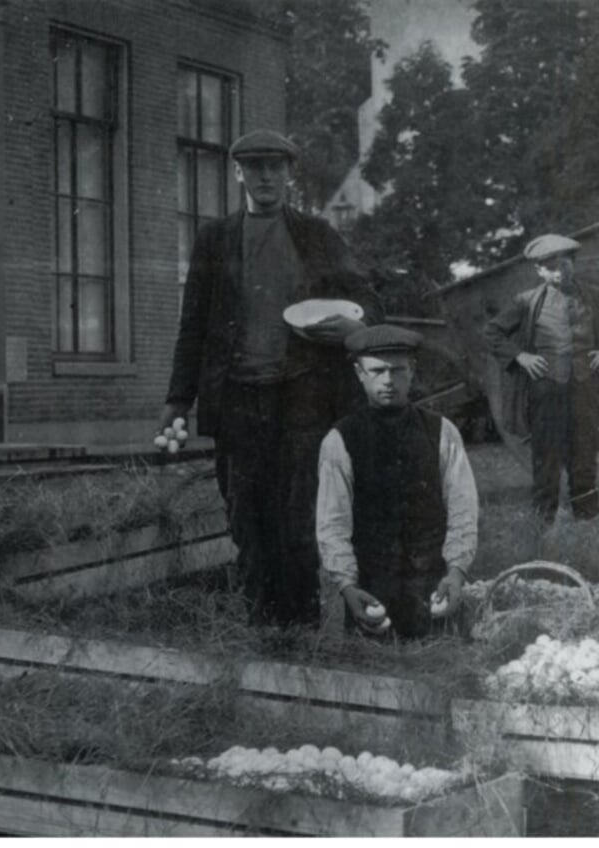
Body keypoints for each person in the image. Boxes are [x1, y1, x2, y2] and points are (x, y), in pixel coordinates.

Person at [161, 129, 383, 627]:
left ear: (288, 174)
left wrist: (355, 324)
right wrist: (178, 398)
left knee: (298, 519)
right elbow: (192, 325)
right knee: (246, 519)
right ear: (237, 172)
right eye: (255, 167)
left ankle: (300, 629)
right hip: (237, 400)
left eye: (275, 167)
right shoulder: (214, 239)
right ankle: (263, 629)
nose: (265, 177)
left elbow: (367, 299)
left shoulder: (316, 237)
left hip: (302, 397)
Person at [316, 325, 479, 639]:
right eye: (377, 371)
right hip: (371, 589)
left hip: (434, 586)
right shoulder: (340, 439)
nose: (388, 381)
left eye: (397, 370)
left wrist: (457, 573)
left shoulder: (442, 431)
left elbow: (463, 509)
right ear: (359, 374)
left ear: (412, 371)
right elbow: (331, 523)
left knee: (440, 656)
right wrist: (348, 587)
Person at [484, 234, 599, 522]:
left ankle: (586, 517)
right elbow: (493, 333)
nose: (559, 272)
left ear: (573, 265)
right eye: (551, 267)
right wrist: (520, 356)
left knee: (585, 452)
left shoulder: (594, 296)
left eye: (564, 265)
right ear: (539, 270)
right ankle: (543, 521)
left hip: (585, 386)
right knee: (546, 456)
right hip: (546, 388)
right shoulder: (526, 301)